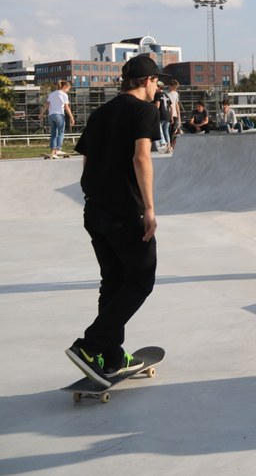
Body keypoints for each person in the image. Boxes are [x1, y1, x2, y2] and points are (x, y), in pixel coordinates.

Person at [65, 55, 172, 387]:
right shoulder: (144, 111)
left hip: (94, 210)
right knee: (140, 281)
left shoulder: (101, 113)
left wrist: (93, 195)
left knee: (113, 282)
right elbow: (142, 157)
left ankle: (110, 357)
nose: (159, 88)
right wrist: (150, 209)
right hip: (126, 212)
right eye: (158, 82)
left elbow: (86, 160)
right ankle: (89, 346)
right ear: (146, 81)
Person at [41, 80, 75, 158]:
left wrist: (41, 113)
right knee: (60, 133)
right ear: (64, 87)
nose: (68, 90)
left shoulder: (52, 94)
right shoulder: (64, 95)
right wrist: (71, 117)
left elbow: (47, 104)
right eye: (68, 89)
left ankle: (53, 152)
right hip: (59, 115)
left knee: (53, 134)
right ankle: (58, 149)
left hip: (51, 116)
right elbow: (66, 107)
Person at [153, 82, 171, 151]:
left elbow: (157, 105)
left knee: (160, 131)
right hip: (167, 116)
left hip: (161, 115)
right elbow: (170, 107)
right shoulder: (166, 95)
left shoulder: (157, 94)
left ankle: (163, 145)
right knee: (166, 131)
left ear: (159, 87)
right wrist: (171, 117)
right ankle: (169, 146)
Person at [166, 79, 181, 153]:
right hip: (173, 115)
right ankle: (170, 146)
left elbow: (176, 105)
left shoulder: (169, 94)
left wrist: (179, 115)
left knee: (169, 131)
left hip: (169, 115)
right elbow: (176, 105)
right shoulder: (173, 94)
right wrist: (179, 116)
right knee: (172, 132)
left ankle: (170, 146)